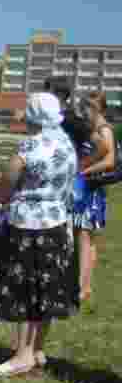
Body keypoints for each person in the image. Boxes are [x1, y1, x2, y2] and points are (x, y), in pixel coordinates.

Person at [0, 93, 76, 377]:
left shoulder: (30, 146)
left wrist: (0, 195)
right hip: (58, 223)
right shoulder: (66, 142)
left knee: (25, 292)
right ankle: (37, 350)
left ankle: (21, 355)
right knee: (45, 292)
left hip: (28, 227)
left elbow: (6, 184)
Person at [74, 91, 115, 303]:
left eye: (87, 107)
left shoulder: (104, 130)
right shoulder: (94, 129)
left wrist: (83, 170)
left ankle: (83, 286)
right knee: (87, 239)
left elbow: (110, 161)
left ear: (96, 109)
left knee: (84, 237)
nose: (84, 111)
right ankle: (84, 285)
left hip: (91, 190)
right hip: (89, 188)